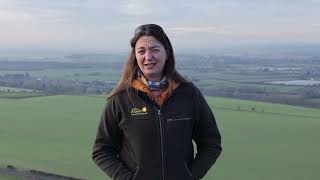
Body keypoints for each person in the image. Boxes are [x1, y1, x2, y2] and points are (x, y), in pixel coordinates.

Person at [92, 24, 222, 180]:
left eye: (154, 50)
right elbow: (102, 150)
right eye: (141, 51)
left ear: (166, 53)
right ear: (135, 56)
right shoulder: (120, 99)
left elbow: (211, 143)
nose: (148, 57)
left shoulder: (189, 94)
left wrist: (190, 176)